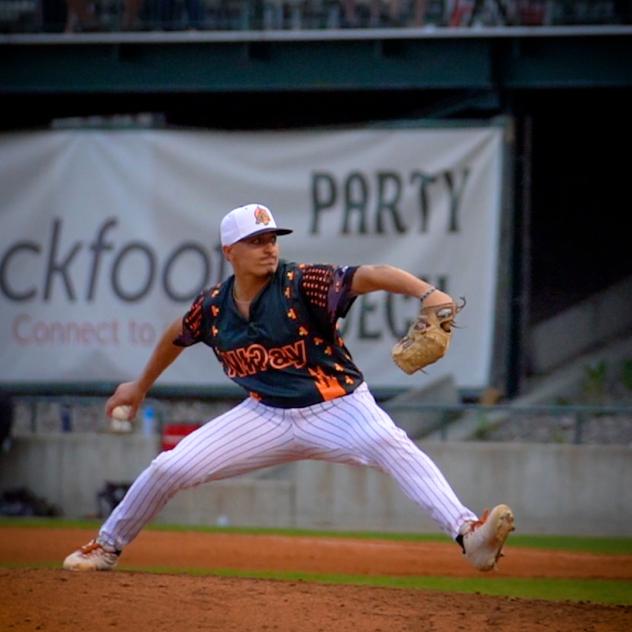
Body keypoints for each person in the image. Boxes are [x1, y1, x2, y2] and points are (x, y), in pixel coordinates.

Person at [63, 203, 515, 572]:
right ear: (229, 252)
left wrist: (427, 293)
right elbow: (176, 333)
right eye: (255, 241)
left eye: (272, 238)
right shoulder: (214, 308)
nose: (268, 248)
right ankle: (105, 546)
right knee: (168, 469)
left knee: (390, 443)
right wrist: (140, 386)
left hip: (340, 407)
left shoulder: (301, 282)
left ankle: (468, 535)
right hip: (265, 415)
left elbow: (370, 273)